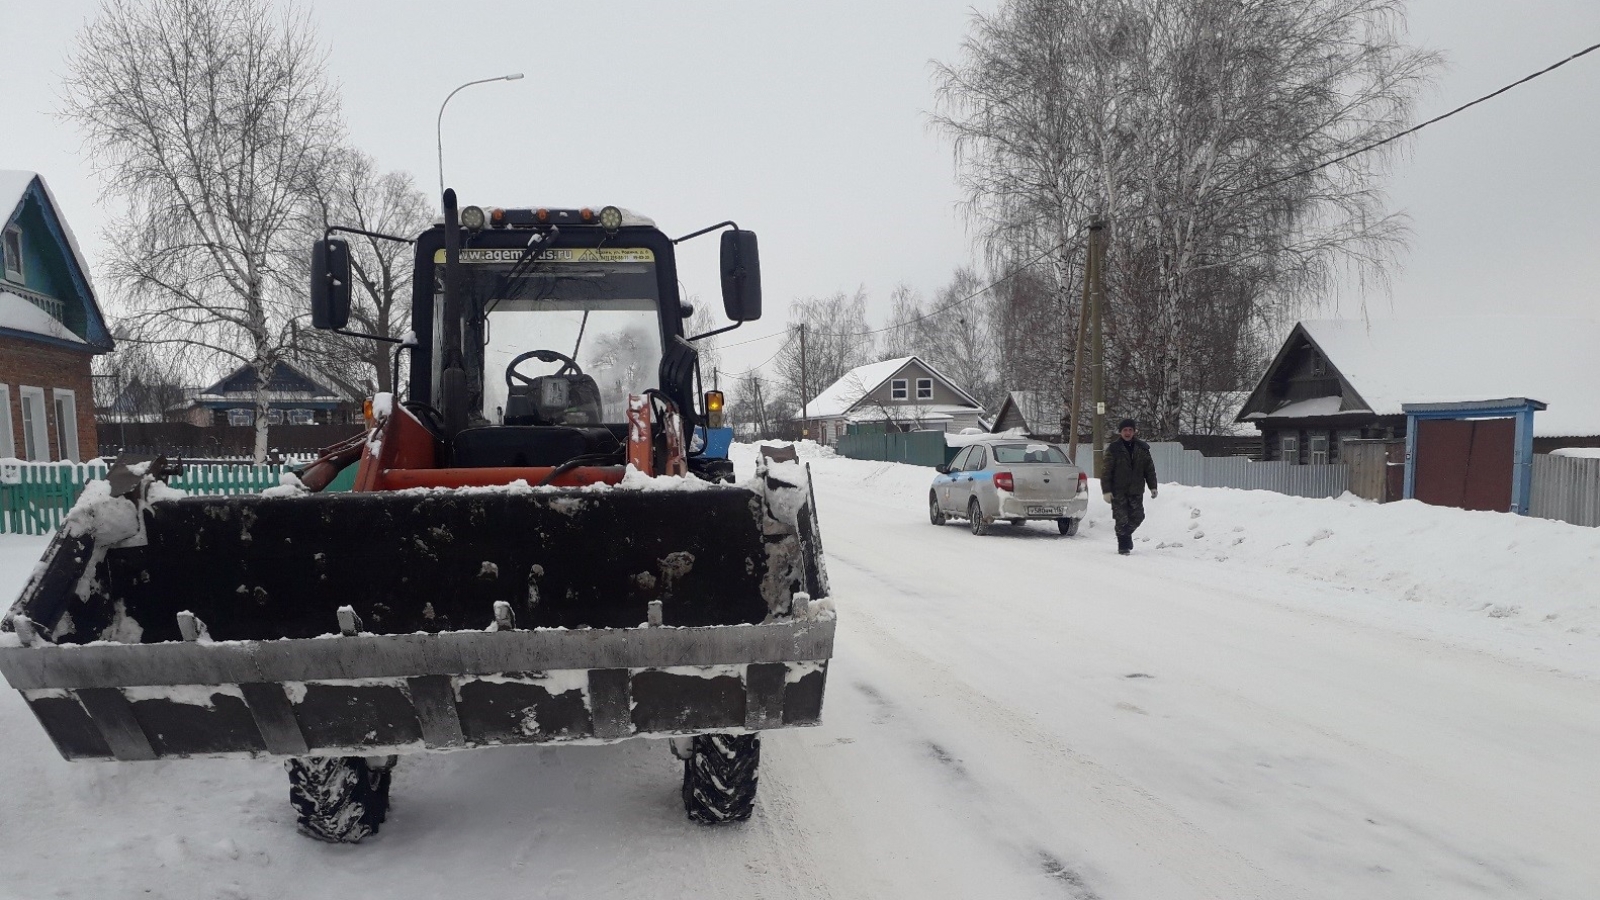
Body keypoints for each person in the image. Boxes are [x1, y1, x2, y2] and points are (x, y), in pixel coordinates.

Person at [1099, 418, 1158, 555]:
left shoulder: (1142, 448)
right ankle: (1123, 546)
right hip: (1118, 490)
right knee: (1122, 518)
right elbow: (1106, 471)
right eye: (1125, 430)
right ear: (1120, 432)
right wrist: (1106, 490)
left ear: (1134, 431)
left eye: (1130, 430)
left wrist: (1153, 486)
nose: (1128, 433)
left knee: (1138, 516)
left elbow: (1149, 469)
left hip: (1136, 490)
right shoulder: (1114, 449)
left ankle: (1125, 536)